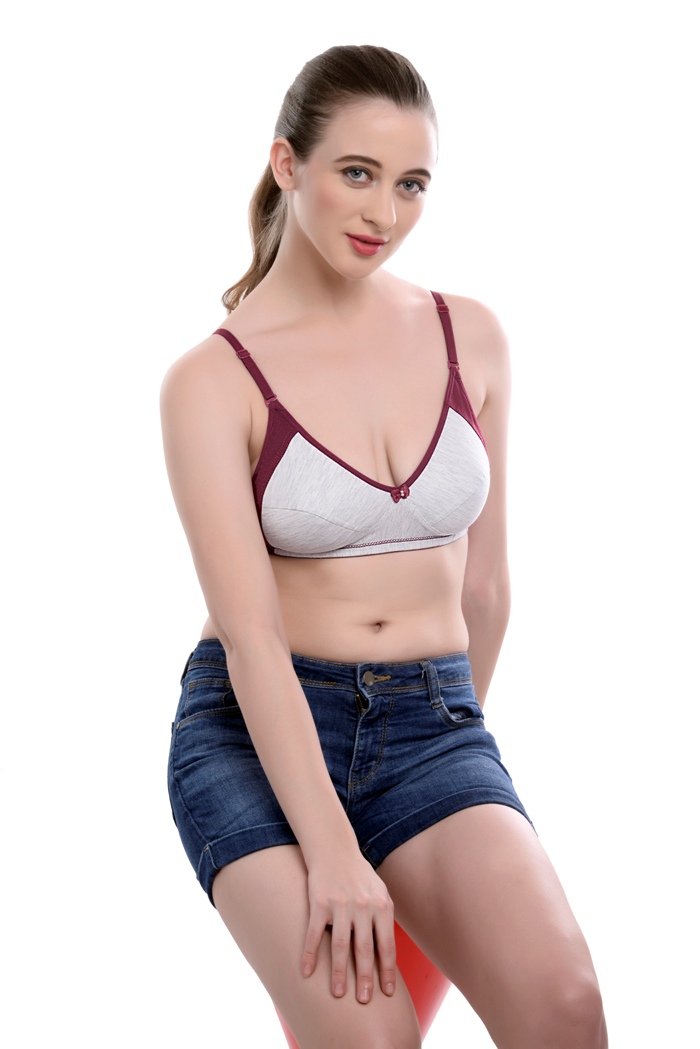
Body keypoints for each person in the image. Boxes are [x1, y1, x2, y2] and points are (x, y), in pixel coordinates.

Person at [161, 44, 607, 1049]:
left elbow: (487, 587)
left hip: (434, 723)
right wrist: (333, 849)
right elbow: (251, 636)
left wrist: (448, 782)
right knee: (376, 1038)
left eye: (411, 184)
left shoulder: (469, 335)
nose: (385, 213)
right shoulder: (212, 381)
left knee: (566, 1009)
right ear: (287, 164)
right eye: (357, 174)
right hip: (254, 732)